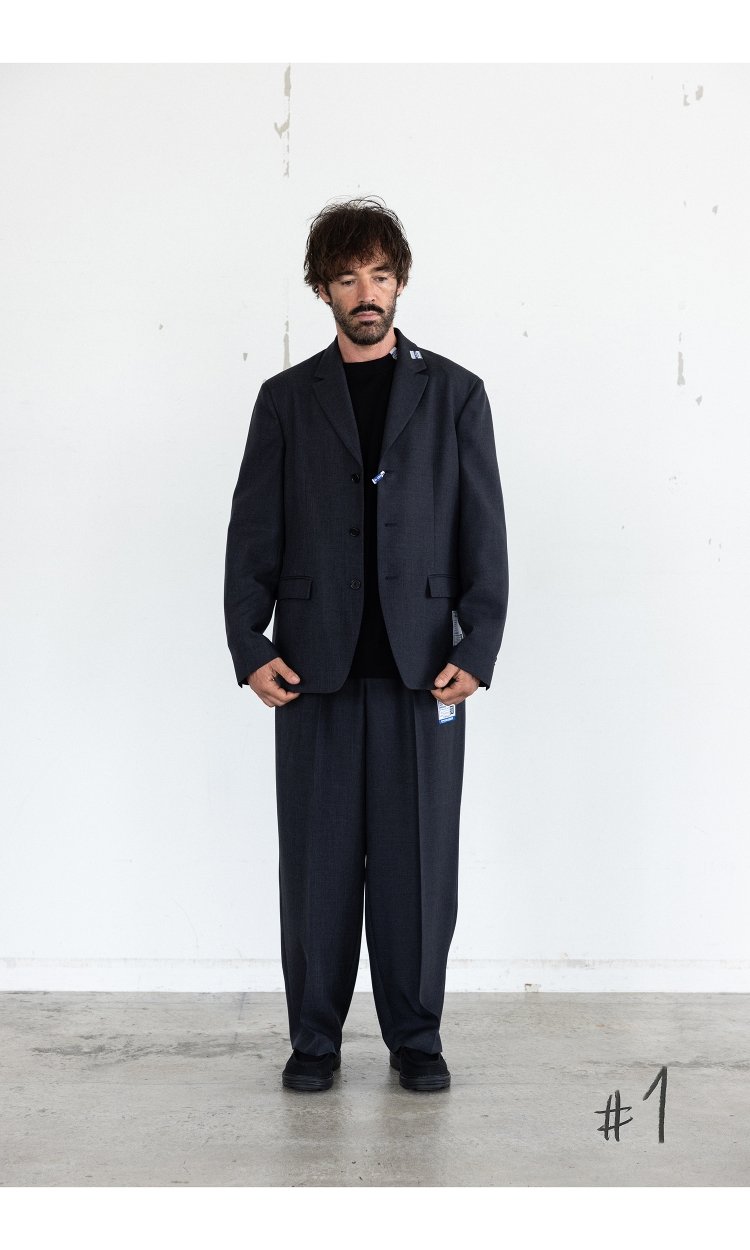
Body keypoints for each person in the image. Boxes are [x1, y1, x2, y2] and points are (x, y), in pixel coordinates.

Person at [224, 197, 509, 1093]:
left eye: (380, 275)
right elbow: (252, 533)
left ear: (400, 282)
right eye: (347, 278)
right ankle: (314, 1041)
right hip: (311, 671)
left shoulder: (456, 394)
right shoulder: (285, 400)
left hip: (427, 670)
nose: (366, 293)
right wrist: (249, 643)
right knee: (316, 867)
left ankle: (415, 1038)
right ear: (323, 290)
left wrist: (480, 644)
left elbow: (484, 533)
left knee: (418, 867)